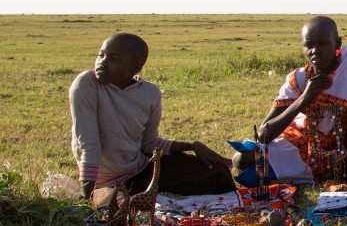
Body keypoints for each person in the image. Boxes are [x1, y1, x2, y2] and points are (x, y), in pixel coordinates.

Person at [70, 33, 234, 199]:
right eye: (101, 55)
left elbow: (149, 144)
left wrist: (192, 145)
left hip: (139, 173)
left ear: (134, 69)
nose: (102, 63)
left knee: (218, 173)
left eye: (114, 59)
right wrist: (86, 199)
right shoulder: (87, 84)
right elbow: (88, 144)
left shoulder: (150, 93)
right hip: (106, 184)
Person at [231, 16, 347, 185]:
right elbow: (263, 135)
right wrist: (304, 98)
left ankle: (320, 175)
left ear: (338, 44)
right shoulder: (299, 79)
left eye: (323, 44)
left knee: (255, 175)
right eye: (309, 45)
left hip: (341, 150)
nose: (315, 51)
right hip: (304, 145)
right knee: (241, 160)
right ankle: (312, 175)